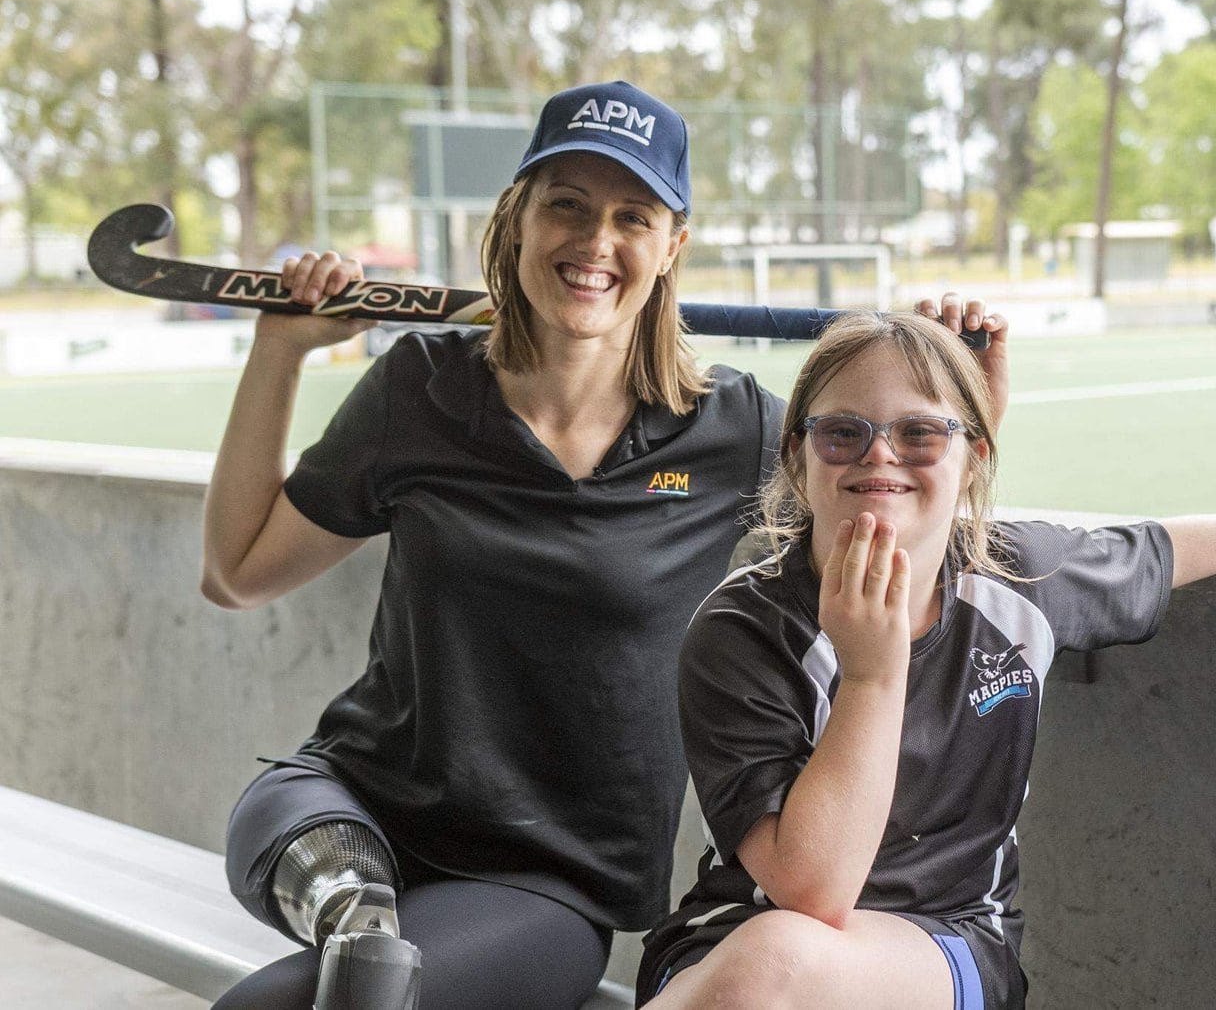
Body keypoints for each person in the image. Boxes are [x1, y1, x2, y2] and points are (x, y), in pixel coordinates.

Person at [200, 82, 1009, 1008]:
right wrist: (280, 350)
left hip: (550, 880)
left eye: (633, 215)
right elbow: (238, 570)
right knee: (363, 950)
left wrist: (961, 397)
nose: (594, 243)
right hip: (347, 806)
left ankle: (366, 931)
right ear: (518, 220)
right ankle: (361, 915)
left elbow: (900, 510)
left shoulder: (736, 429)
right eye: (567, 206)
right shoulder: (417, 388)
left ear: (673, 248)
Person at [637, 312, 1216, 1009]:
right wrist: (874, 674)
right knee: (770, 957)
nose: (880, 458)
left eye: (921, 432)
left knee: (775, 962)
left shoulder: (1015, 576)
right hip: (739, 938)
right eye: (844, 432)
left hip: (944, 941)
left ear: (975, 456)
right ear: (797, 457)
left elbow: (1165, 547)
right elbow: (812, 889)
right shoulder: (741, 629)